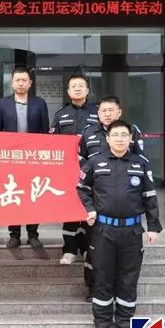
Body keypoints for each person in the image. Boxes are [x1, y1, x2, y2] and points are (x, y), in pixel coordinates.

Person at [76, 119, 161, 328]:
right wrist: (90, 209)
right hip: (103, 230)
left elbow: (150, 197)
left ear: (131, 138)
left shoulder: (140, 164)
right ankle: (102, 323)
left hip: (131, 231)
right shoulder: (95, 162)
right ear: (108, 138)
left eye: (124, 135)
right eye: (115, 135)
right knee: (103, 276)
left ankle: (125, 322)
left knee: (128, 277)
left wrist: (153, 226)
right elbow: (82, 189)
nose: (120, 139)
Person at [77, 94, 148, 303]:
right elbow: (80, 162)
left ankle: (120, 293)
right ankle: (94, 287)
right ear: (97, 113)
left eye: (111, 110)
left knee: (122, 259)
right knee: (93, 249)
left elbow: (140, 161)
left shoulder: (130, 131)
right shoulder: (88, 132)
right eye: (103, 111)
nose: (107, 114)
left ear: (119, 112)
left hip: (123, 202)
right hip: (96, 203)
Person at [0, 67, 49, 249]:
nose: (20, 83)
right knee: (13, 196)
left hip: (33, 159)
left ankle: (33, 234)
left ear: (30, 83)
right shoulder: (2, 104)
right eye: (17, 80)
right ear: (12, 83)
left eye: (24, 80)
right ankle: (14, 234)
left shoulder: (39, 103)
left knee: (33, 196)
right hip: (11, 159)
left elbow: (45, 133)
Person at [50, 73, 98, 265]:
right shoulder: (60, 114)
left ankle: (87, 249)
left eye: (81, 86)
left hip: (92, 171)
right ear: (68, 91)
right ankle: (69, 250)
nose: (77, 89)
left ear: (87, 90)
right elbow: (52, 143)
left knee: (89, 209)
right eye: (73, 86)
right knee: (69, 210)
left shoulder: (97, 113)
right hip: (68, 171)